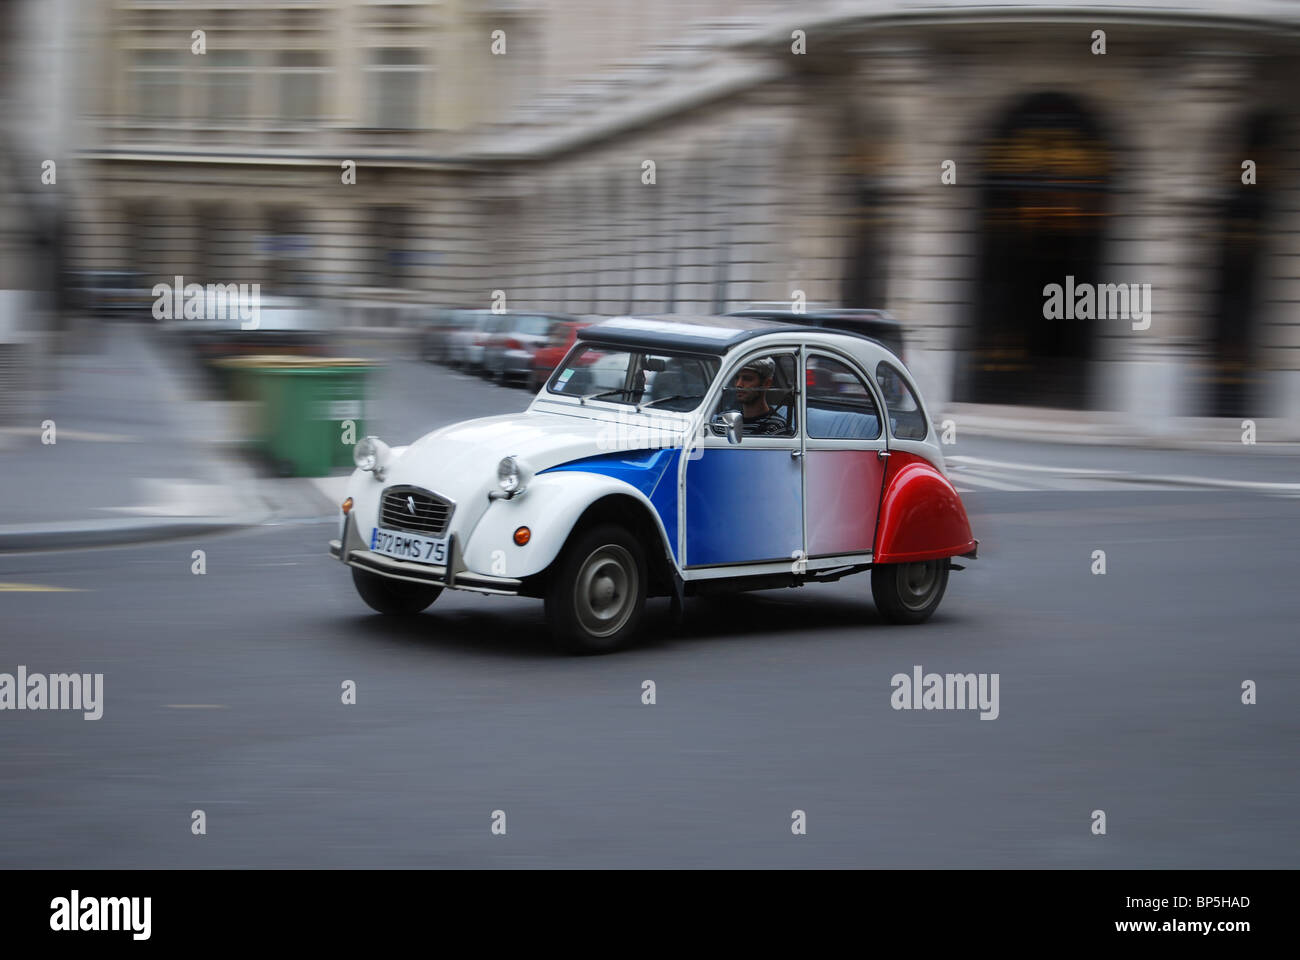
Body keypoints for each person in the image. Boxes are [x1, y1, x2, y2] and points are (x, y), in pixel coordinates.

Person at [729, 356, 788, 436]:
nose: (738, 384)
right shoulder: (726, 420)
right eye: (737, 378)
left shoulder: (776, 427)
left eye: (747, 379)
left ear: (766, 384)